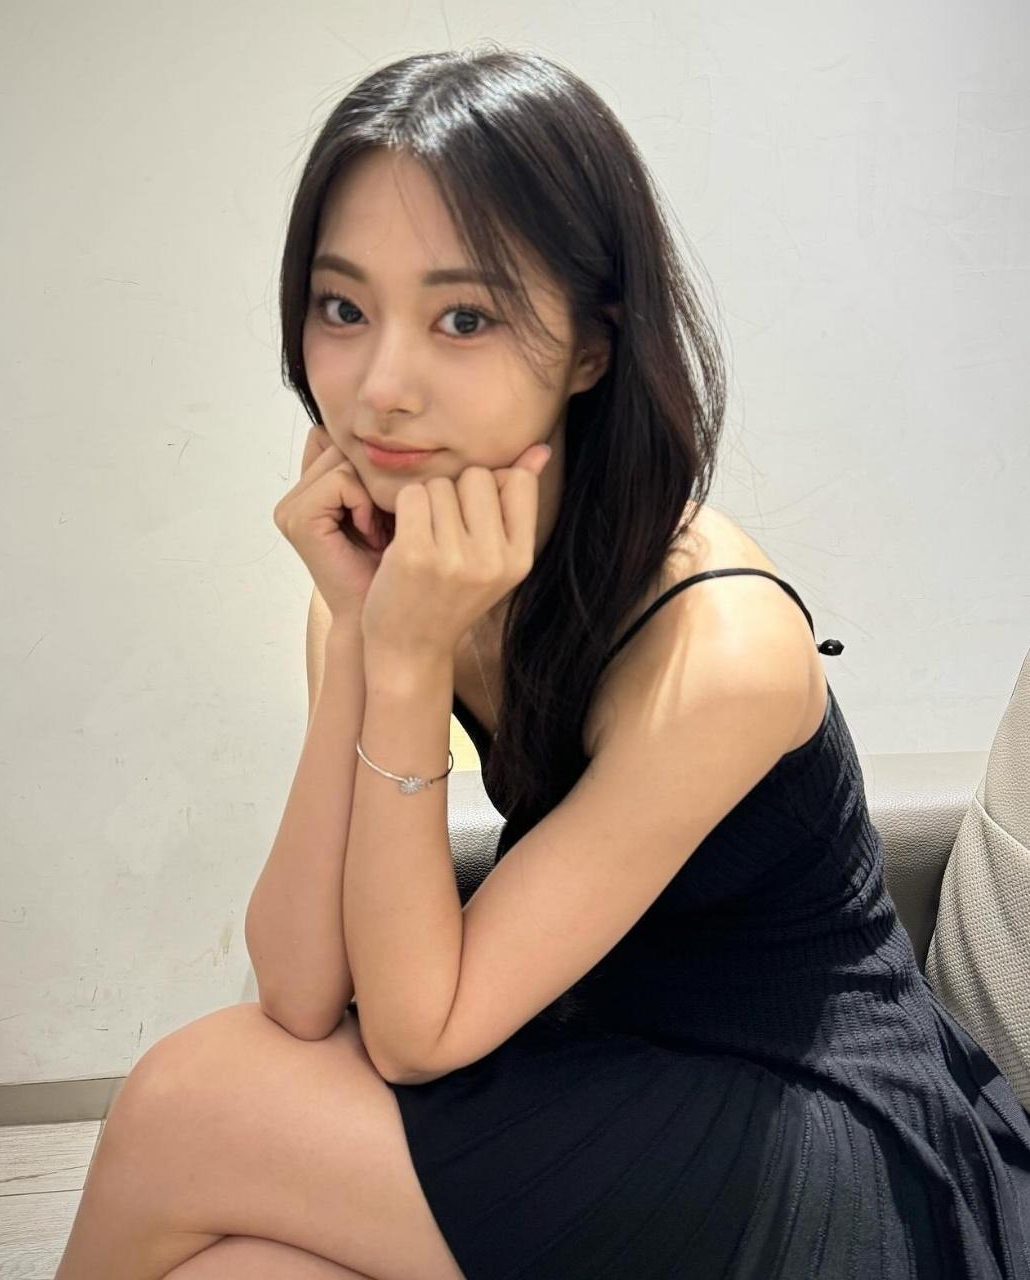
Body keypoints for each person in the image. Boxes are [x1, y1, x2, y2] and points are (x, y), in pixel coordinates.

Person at [56, 44, 1030, 1280]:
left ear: (587, 346)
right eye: (342, 308)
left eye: (462, 317)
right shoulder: (395, 572)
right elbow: (298, 990)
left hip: (813, 1139)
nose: (380, 387)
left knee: (188, 1100)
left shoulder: (719, 644)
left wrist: (403, 656)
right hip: (593, 1058)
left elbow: (414, 1034)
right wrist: (360, 632)